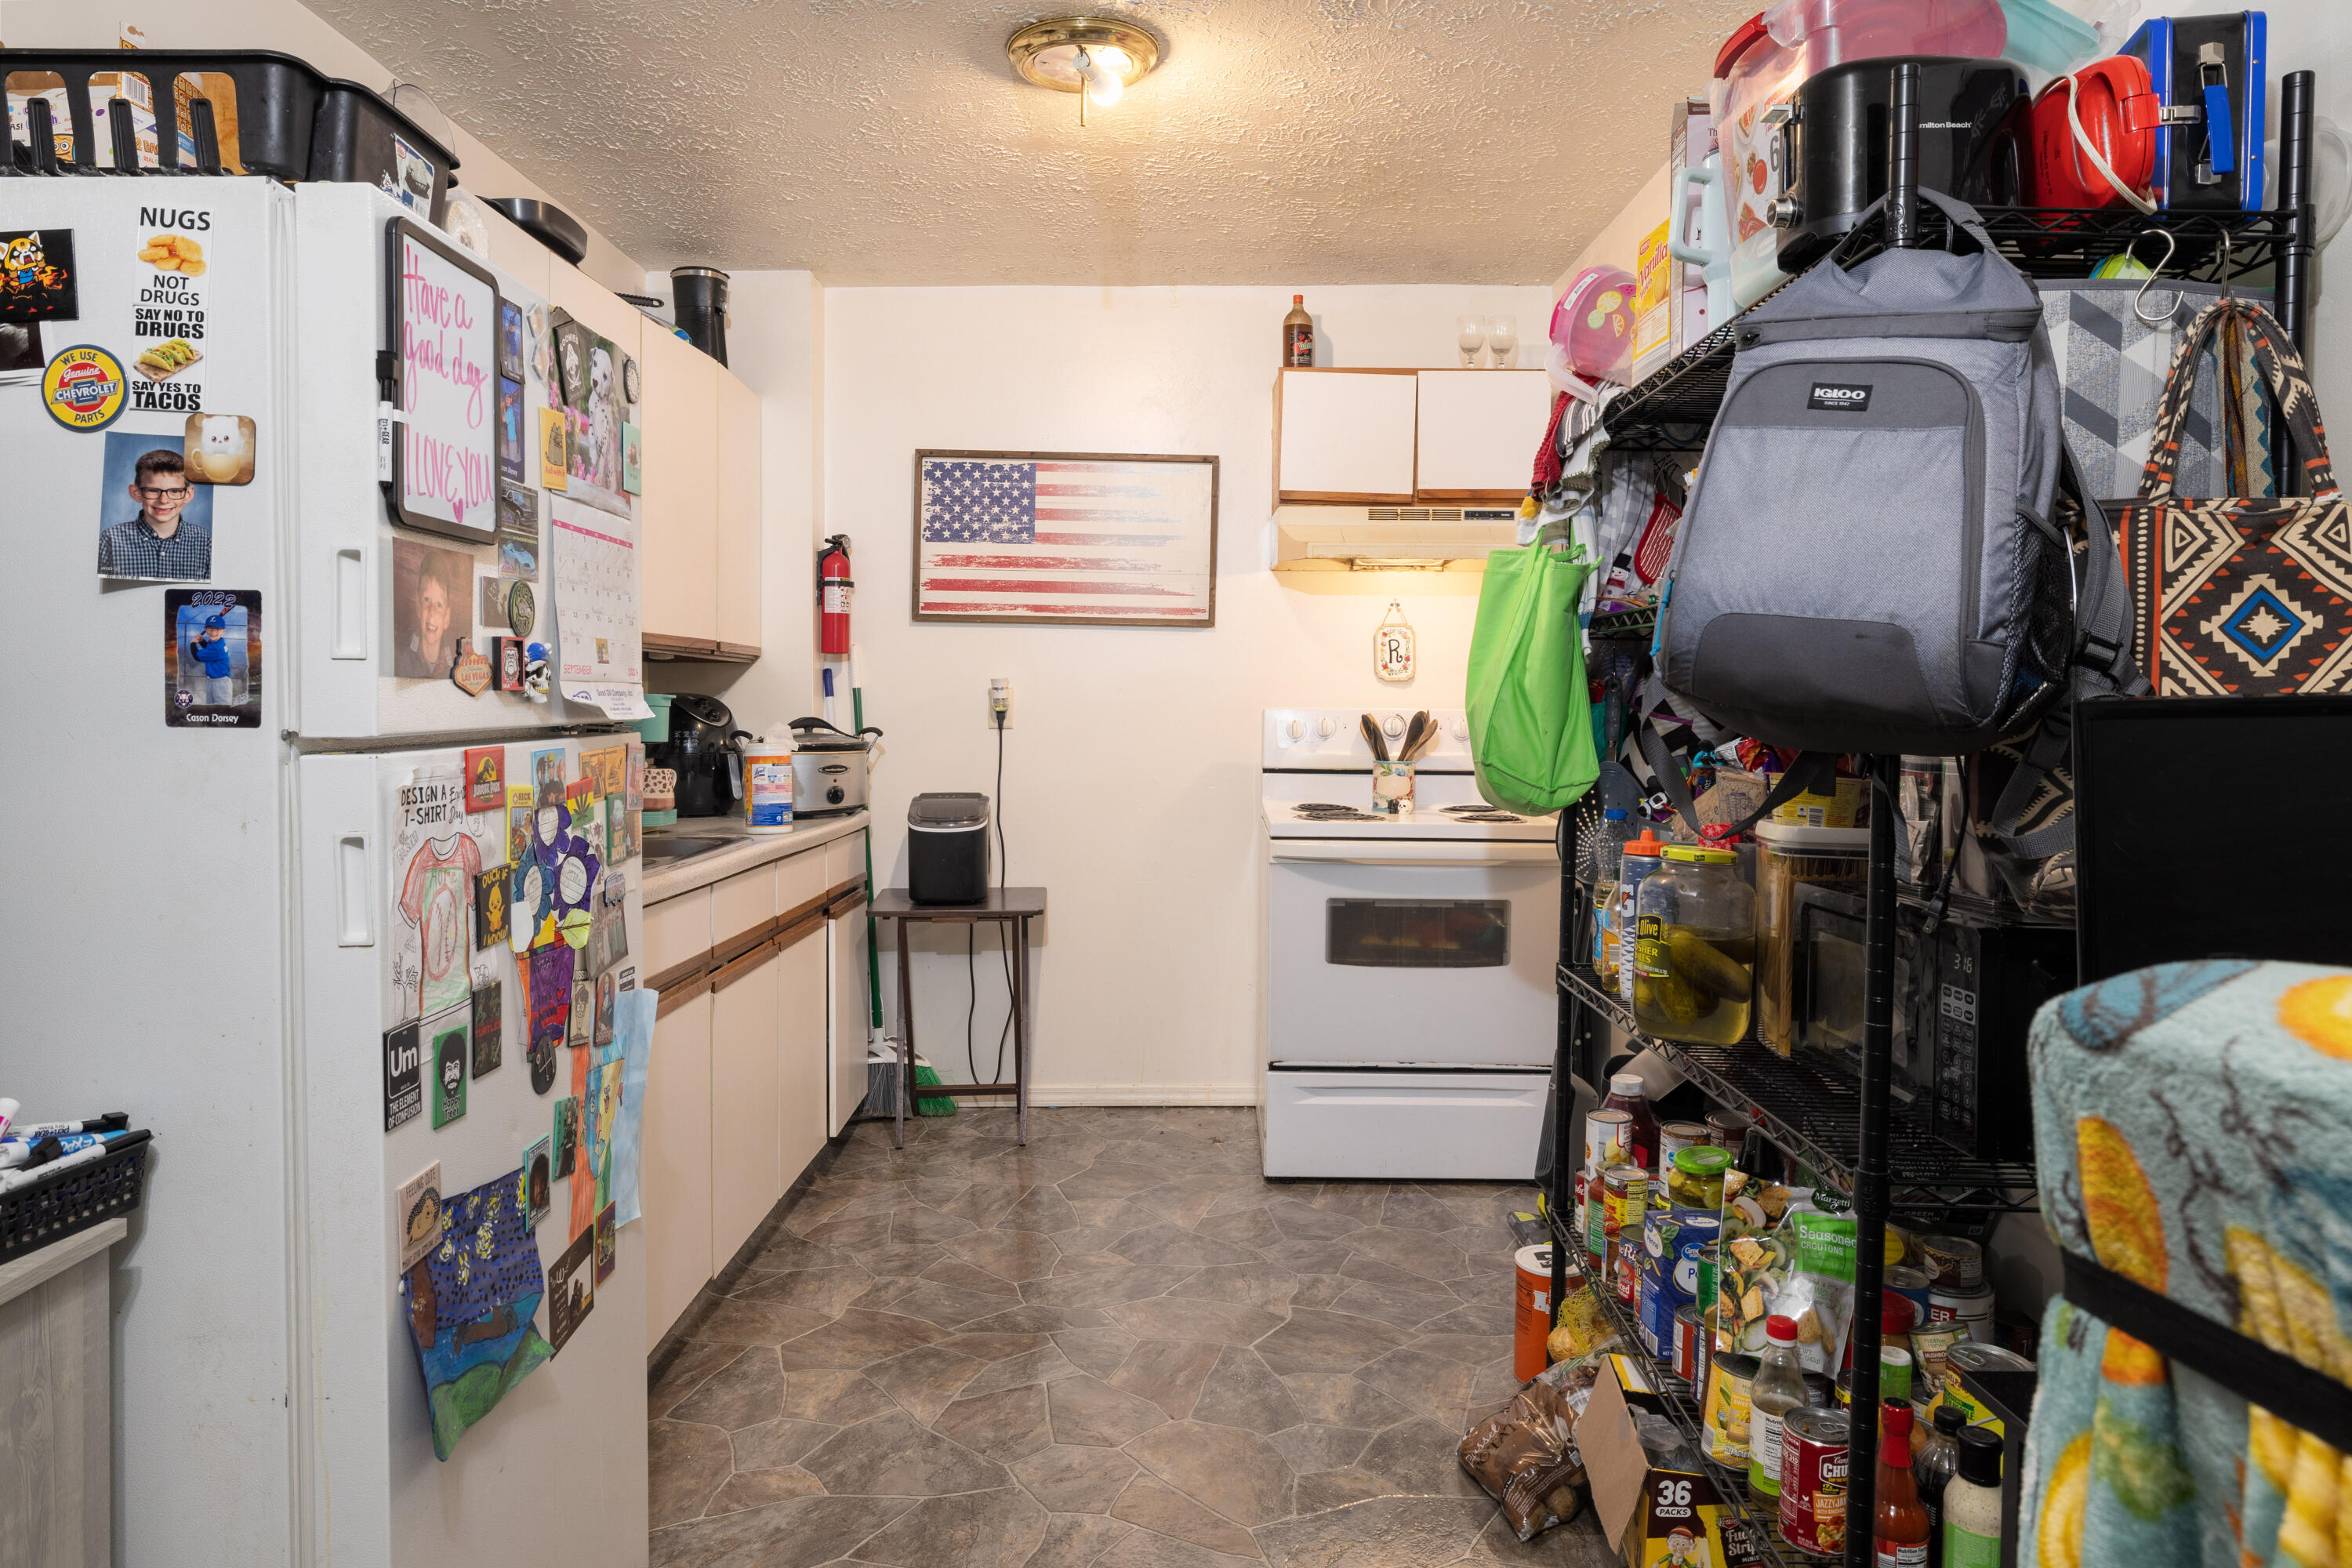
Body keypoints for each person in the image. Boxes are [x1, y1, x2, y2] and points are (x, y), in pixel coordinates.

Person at [98, 448, 210, 580]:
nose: (163, 500)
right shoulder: (111, 540)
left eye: (174, 491)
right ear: (136, 493)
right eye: (153, 490)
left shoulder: (203, 541)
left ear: (188, 494)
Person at [397, 552, 459, 678]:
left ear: (447, 618)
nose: (432, 612)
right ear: (418, 606)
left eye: (439, 605)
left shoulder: (455, 664)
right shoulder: (401, 656)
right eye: (427, 600)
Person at [188, 612, 235, 706]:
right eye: (210, 629)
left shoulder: (217, 648)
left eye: (217, 629)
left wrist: (193, 643)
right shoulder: (217, 642)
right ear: (206, 629)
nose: (213, 632)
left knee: (221, 712)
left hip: (221, 683)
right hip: (212, 681)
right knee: (211, 710)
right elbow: (208, 649)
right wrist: (202, 641)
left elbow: (197, 657)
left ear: (223, 631)